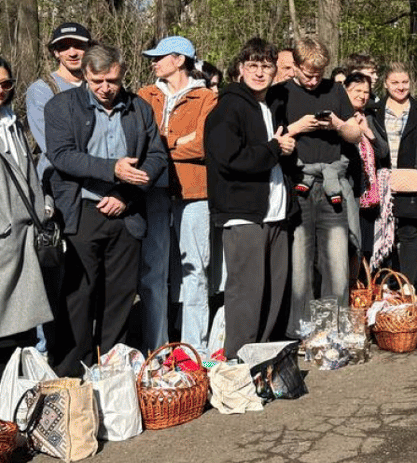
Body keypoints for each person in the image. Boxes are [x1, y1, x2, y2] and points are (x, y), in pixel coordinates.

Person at [44, 44, 167, 376]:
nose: (105, 88)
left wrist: (127, 193)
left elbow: (157, 156)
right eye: (97, 80)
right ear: (85, 75)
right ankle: (72, 373)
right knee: (79, 297)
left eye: (112, 80)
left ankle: (112, 372)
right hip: (82, 212)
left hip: (126, 213)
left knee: (119, 298)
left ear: (122, 73)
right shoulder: (61, 107)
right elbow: (62, 155)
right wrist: (112, 169)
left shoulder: (139, 108)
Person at [204, 39, 296, 360]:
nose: (260, 72)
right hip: (244, 215)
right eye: (253, 66)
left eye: (266, 66)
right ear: (241, 69)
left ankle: (265, 361)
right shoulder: (228, 107)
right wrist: (274, 148)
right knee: (246, 294)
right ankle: (237, 365)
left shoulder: (269, 106)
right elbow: (230, 159)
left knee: (274, 291)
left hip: (275, 213)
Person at [276, 35, 361, 338]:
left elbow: (356, 136)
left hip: (331, 186)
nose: (313, 81)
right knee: (299, 264)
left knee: (337, 261)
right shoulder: (280, 93)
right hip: (298, 184)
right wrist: (297, 128)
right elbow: (271, 140)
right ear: (295, 66)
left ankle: (332, 330)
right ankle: (300, 330)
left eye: (318, 74)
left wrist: (337, 124)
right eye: (307, 73)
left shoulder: (335, 90)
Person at [136, 36, 218, 352]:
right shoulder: (145, 96)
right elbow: (140, 143)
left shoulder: (206, 98)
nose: (154, 62)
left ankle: (193, 349)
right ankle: (155, 348)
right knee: (153, 273)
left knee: (196, 271)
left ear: (179, 60)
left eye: (160, 57)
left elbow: (204, 144)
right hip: (154, 191)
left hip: (195, 193)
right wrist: (178, 142)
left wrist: (163, 144)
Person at [0, 56, 54, 371]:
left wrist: (43, 205)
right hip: (5, 235)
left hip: (24, 235)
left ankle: (14, 399)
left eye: (6, 84)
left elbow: (27, 171)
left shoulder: (12, 121)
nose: (2, 90)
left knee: (20, 327)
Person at [374, 64, 417, 284]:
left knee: (409, 233)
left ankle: (407, 286)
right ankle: (384, 284)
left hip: (410, 183)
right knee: (383, 234)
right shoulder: (373, 111)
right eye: (395, 82)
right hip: (381, 181)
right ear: (386, 83)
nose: (400, 87)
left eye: (404, 82)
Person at [25, 21, 91, 184]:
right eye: (64, 47)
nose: (72, 53)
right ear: (56, 53)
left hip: (99, 182)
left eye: (78, 45)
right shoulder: (42, 90)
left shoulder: (99, 86)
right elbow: (52, 145)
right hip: (59, 182)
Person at [343, 72, 388, 270]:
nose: (362, 95)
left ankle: (361, 286)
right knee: (348, 243)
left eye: (366, 92)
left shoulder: (369, 115)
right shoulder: (338, 116)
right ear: (345, 91)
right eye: (357, 91)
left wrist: (367, 131)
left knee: (364, 243)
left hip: (368, 190)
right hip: (347, 189)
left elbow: (383, 152)